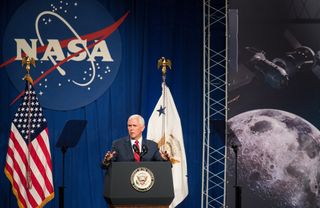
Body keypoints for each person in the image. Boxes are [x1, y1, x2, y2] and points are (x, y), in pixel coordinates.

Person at [101, 114, 169, 168]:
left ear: (142, 128)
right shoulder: (118, 144)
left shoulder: (152, 146)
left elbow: (162, 166)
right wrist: (107, 160)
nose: (131, 128)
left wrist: (165, 159)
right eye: (129, 126)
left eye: (134, 126)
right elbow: (106, 166)